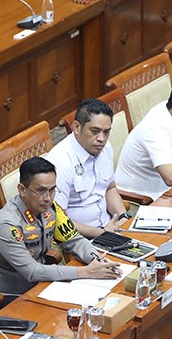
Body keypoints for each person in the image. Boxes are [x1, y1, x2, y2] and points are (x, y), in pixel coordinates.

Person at [0, 157, 122, 299]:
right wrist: (86, 272)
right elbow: (31, 271)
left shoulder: (50, 209)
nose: (48, 198)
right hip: (0, 295)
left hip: (36, 285)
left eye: (52, 190)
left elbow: (74, 240)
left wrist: (97, 261)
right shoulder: (7, 225)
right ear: (22, 190)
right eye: (41, 191)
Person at [45, 99, 131, 238]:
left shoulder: (105, 148)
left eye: (106, 132)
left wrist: (122, 216)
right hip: (81, 240)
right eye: (95, 131)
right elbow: (56, 219)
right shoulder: (60, 163)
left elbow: (110, 188)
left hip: (110, 227)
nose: (102, 139)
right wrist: (102, 234)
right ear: (77, 127)